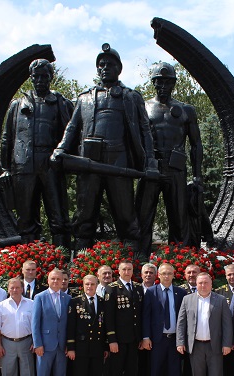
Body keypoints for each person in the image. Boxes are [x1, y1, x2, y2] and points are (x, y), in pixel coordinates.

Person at [54, 43, 158, 253]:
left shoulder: (131, 96)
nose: (105, 68)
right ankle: (81, 260)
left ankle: (132, 262)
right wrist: (61, 149)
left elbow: (145, 131)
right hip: (88, 160)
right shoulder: (84, 98)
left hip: (118, 159)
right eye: (101, 64)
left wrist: (151, 162)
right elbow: (72, 127)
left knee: (125, 212)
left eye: (110, 64)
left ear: (119, 68)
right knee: (84, 212)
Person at [0, 58, 74, 246]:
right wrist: (5, 167)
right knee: (25, 218)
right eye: (37, 76)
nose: (40, 80)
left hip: (51, 165)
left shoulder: (60, 103)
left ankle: (62, 263)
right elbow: (7, 138)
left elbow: (71, 133)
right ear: (31, 78)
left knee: (58, 216)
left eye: (45, 76)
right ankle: (28, 259)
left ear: (51, 77)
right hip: (23, 165)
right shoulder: (17, 105)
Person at [136, 62, 202, 254]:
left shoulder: (186, 110)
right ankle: (139, 260)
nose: (163, 86)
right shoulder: (143, 107)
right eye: (159, 82)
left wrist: (197, 175)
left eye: (167, 82)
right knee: (143, 216)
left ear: (173, 84)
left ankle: (180, 261)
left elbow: (196, 144)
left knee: (179, 218)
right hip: (150, 168)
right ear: (153, 83)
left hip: (176, 169)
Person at [177, 272, 233, 376]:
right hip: (195, 346)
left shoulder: (220, 300)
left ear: (211, 284)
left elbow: (227, 324)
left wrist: (227, 343)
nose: (203, 285)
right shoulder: (187, 299)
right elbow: (181, 323)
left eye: (206, 283)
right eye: (200, 283)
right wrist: (180, 342)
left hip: (214, 346)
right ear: (196, 284)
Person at [67, 275, 115, 376]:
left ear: (96, 285)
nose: (89, 287)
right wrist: (70, 348)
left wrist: (106, 347)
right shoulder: (75, 302)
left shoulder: (102, 302)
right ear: (83, 285)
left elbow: (106, 325)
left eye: (92, 284)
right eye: (87, 284)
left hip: (97, 347)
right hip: (81, 347)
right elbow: (71, 327)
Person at [142, 263, 187, 376]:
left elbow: (184, 317)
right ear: (158, 275)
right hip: (157, 339)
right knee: (156, 372)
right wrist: (146, 337)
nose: (166, 276)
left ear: (174, 275)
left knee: (175, 372)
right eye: (163, 273)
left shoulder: (181, 293)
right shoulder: (151, 292)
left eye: (169, 273)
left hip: (175, 339)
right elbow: (146, 316)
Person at [103, 261, 144, 376]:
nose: (127, 272)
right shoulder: (112, 289)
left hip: (133, 339)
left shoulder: (138, 288)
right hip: (118, 340)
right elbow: (109, 317)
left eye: (129, 269)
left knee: (131, 372)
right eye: (124, 269)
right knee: (116, 373)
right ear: (118, 271)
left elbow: (139, 315)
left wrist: (140, 337)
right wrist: (111, 340)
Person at [31, 268, 71, 376]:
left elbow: (68, 324)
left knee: (60, 375)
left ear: (63, 282)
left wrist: (69, 343)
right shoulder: (40, 297)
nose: (55, 282)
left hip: (61, 345)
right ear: (48, 281)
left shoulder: (67, 299)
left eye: (58, 279)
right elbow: (35, 323)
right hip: (45, 345)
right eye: (53, 279)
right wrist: (37, 344)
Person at [177, 263, 201, 376]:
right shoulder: (180, 291)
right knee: (186, 371)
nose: (192, 275)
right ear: (185, 275)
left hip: (203, 337)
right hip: (187, 338)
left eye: (195, 272)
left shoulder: (205, 288)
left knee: (203, 372)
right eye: (189, 273)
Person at [134, 262, 158, 376]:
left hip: (156, 333)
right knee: (140, 365)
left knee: (156, 365)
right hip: (138, 333)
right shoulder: (136, 290)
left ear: (156, 275)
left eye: (151, 272)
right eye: (146, 272)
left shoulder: (159, 290)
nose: (148, 275)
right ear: (141, 275)